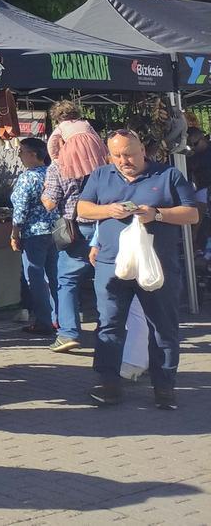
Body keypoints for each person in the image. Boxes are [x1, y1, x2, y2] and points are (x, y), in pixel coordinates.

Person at [77, 129, 198, 409]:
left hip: (156, 265)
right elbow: (83, 208)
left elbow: (192, 213)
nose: (123, 160)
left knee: (163, 328)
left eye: (129, 154)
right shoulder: (100, 175)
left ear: (142, 149)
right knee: (109, 325)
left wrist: (157, 214)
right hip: (111, 264)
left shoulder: (168, 175)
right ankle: (109, 385)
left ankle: (164, 389)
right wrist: (109, 210)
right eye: (117, 155)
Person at [42, 159, 98, 353]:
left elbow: (49, 203)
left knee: (66, 280)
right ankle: (110, 329)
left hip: (75, 229)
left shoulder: (59, 165)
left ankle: (68, 333)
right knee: (106, 280)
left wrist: (45, 191)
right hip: (103, 226)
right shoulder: (102, 162)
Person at [10, 137, 59, 337]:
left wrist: (14, 233)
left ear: (32, 154)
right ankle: (60, 318)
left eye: (21, 152)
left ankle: (43, 321)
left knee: (35, 278)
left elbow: (20, 209)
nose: (19, 155)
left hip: (34, 233)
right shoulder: (52, 173)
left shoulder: (27, 177)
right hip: (55, 231)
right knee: (55, 277)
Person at [47, 100, 108, 180]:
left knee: (76, 168)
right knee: (96, 167)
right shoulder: (85, 123)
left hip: (73, 149)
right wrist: (103, 149)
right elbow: (96, 137)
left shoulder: (61, 126)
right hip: (92, 147)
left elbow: (52, 142)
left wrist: (55, 158)